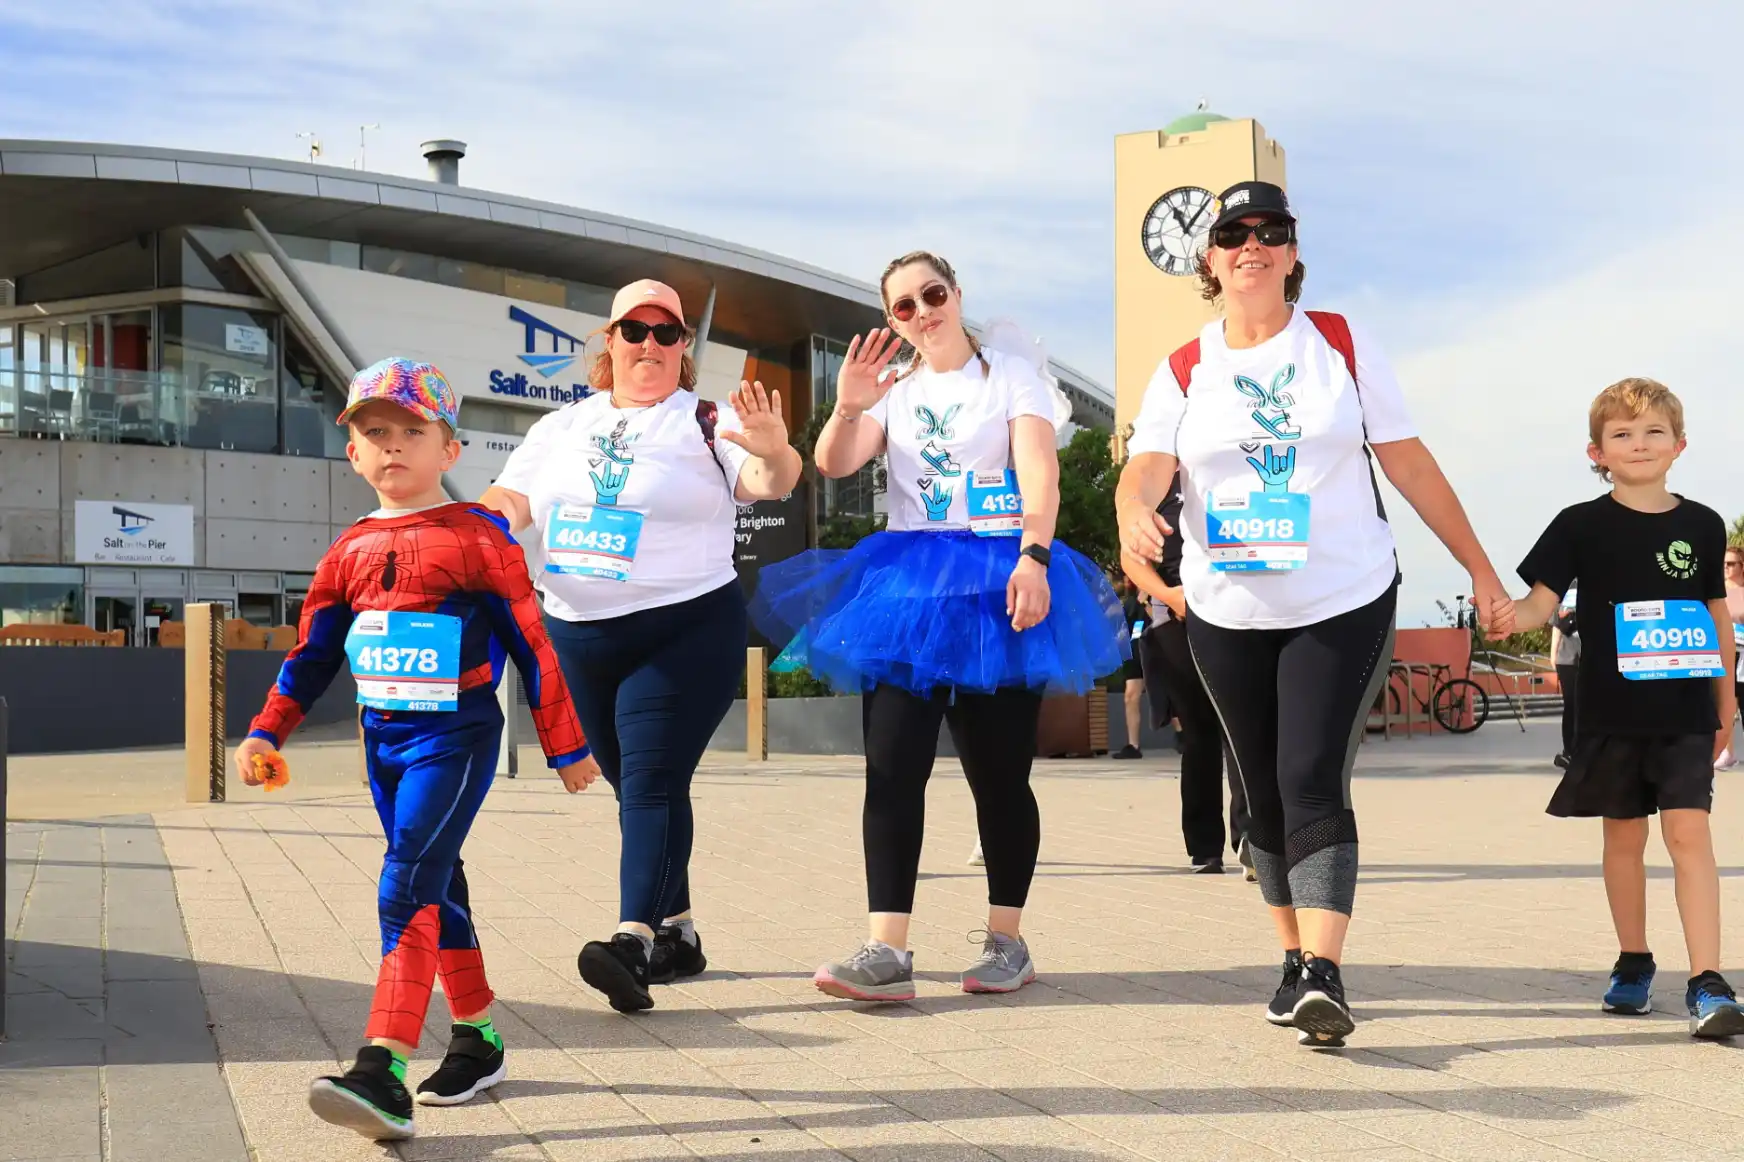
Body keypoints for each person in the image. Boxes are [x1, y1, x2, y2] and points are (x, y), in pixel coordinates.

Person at [1115, 181, 1510, 1048]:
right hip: (1225, 609)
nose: (1252, 244)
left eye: (1272, 231)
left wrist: (1479, 567)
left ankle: (1326, 971)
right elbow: (1146, 466)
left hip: (1342, 596)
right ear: (1210, 260)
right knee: (1259, 796)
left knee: (1309, 776)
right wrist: (1129, 512)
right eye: (1233, 234)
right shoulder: (1184, 366)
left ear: (1293, 254)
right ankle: (1293, 960)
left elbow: (1406, 461)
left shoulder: (1338, 343)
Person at [235, 358, 600, 1140]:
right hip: (383, 742)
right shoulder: (346, 553)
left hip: (456, 736)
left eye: (412, 431)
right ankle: (479, 1038)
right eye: (375, 434)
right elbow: (313, 655)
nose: (392, 446)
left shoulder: (481, 539)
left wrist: (565, 745)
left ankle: (383, 1067)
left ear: (450, 450)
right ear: (354, 455)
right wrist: (267, 730)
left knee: (406, 884)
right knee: (441, 884)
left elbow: (533, 645)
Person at [750, 251, 1125, 1002]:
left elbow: (1040, 473)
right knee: (891, 767)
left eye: (933, 294)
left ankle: (1006, 941)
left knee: (999, 776)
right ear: (892, 319)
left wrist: (1035, 557)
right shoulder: (894, 391)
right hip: (908, 590)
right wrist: (850, 405)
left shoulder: (1011, 378)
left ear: (957, 296)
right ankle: (887, 951)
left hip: (995, 584)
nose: (922, 312)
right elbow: (834, 462)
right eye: (903, 306)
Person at [479, 279, 803, 1014]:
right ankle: (681, 934)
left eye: (667, 333)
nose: (650, 345)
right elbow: (511, 505)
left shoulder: (706, 420)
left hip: (684, 626)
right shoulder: (562, 427)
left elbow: (767, 479)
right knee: (639, 792)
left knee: (652, 779)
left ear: (684, 347)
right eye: (635, 331)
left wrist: (775, 449)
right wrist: (458, 525)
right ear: (611, 340)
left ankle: (632, 941)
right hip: (580, 635)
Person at [1507, 377, 1743, 1038]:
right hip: (1610, 711)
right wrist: (1507, 616)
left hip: (1686, 709)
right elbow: (1539, 603)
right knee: (1624, 837)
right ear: (1596, 451)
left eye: (1652, 433)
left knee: (1689, 832)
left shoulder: (1700, 524)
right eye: (1621, 435)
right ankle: (1634, 961)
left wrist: (1726, 700)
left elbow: (1716, 616)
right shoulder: (1579, 524)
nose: (1638, 444)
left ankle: (1709, 980)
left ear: (1679, 445)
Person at [1124, 470, 1250, 875]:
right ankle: (1205, 847)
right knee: (1199, 734)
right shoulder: (1156, 487)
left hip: (1240, 613)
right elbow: (1132, 556)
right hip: (1177, 616)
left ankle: (1253, 838)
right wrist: (1167, 595)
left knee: (1244, 729)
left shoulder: (1236, 475)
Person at [1113, 575, 1150, 759]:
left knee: (1170, 694)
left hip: (1155, 649)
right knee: (1130, 696)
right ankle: (1133, 745)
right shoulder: (1127, 602)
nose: (1128, 580)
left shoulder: (1153, 594)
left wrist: (1146, 604)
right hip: (1133, 653)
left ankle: (1183, 734)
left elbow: (1161, 619)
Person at [1717, 545, 1744, 770]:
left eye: (1731, 563)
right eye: (1724, 563)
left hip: (1743, 652)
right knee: (1726, 699)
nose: (1726, 567)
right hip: (1723, 652)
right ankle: (1729, 752)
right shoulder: (1718, 590)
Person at [1551, 589, 1581, 769]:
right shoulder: (1565, 591)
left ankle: (1587, 749)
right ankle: (1569, 750)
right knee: (1571, 705)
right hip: (1566, 659)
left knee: (1587, 705)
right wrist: (1552, 654)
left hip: (1590, 656)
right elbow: (1556, 624)